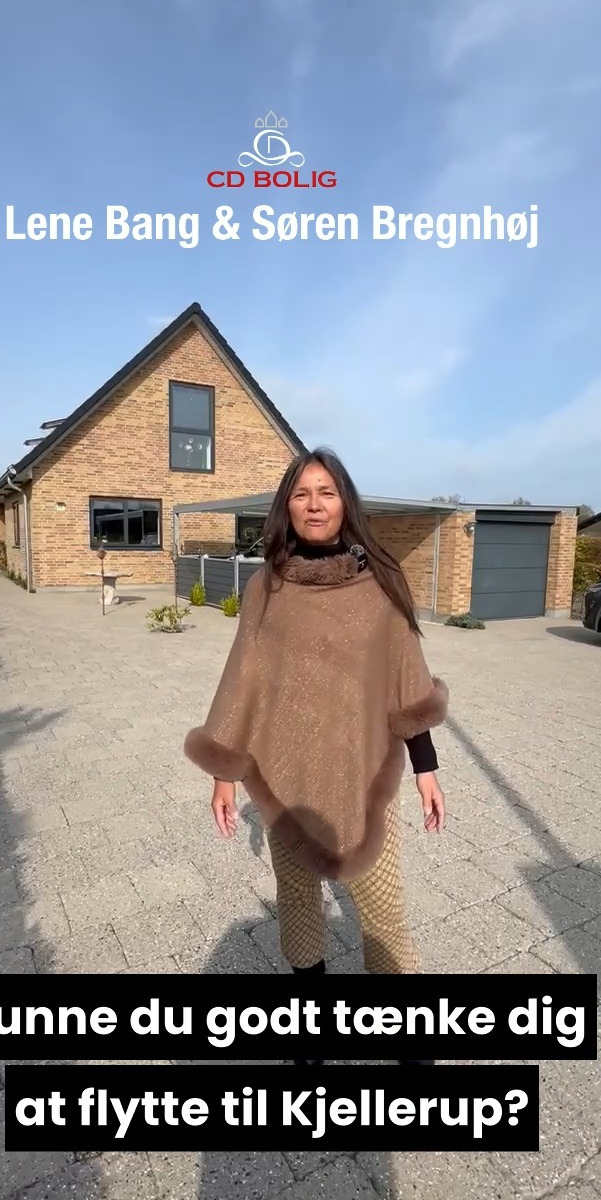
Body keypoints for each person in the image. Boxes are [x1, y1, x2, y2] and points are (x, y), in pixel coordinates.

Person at [184, 448, 448, 1064]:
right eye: (301, 493)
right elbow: (243, 680)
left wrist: (426, 766)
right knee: (299, 903)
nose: (314, 504)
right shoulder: (266, 587)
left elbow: (407, 676)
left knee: (382, 908)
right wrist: (224, 772)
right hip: (285, 774)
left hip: (364, 771)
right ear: (287, 506)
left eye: (326, 492)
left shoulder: (383, 582)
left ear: (344, 502)